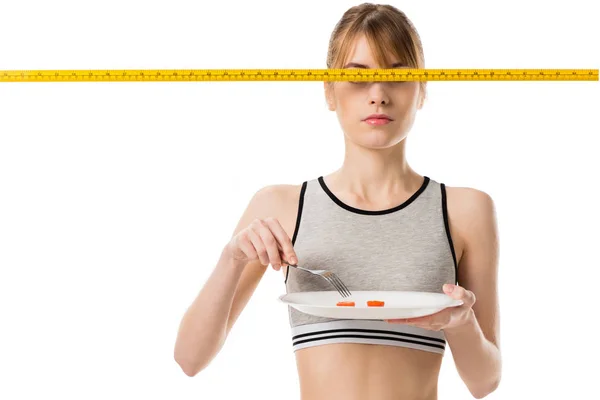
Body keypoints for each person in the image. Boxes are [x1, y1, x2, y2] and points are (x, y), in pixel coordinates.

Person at [174, 3, 502, 399]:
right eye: (357, 78)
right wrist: (232, 258)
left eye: (399, 77)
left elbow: (484, 382)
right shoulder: (280, 207)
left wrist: (461, 320)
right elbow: (190, 359)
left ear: (422, 91)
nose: (378, 96)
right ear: (329, 91)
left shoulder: (465, 211)